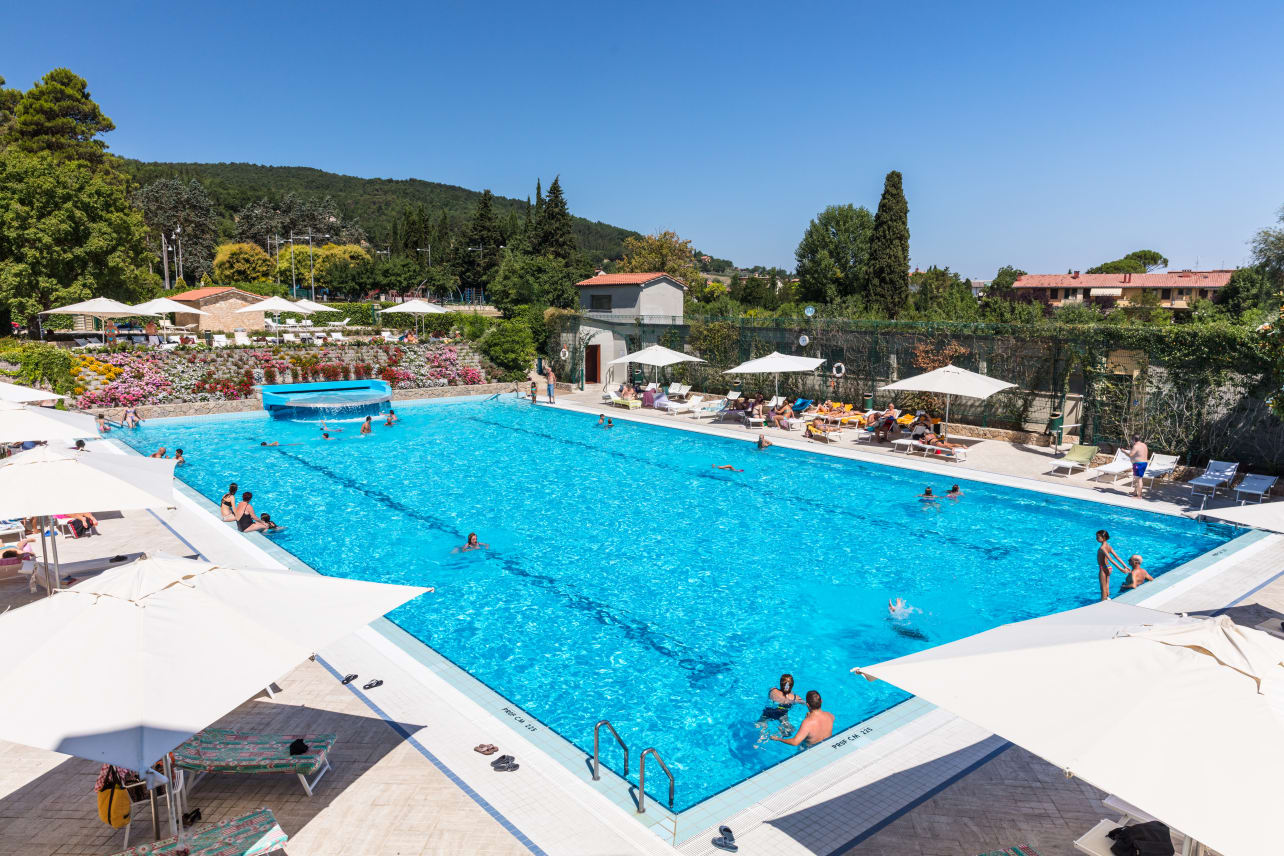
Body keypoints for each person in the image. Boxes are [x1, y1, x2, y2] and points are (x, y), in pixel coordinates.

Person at [1096, 530, 1130, 601]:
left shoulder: (1102, 548)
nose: (1096, 538)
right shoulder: (1108, 546)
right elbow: (1117, 557)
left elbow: (1111, 559)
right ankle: (1107, 599)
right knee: (1107, 586)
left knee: (1103, 588)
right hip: (1109, 567)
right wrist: (1125, 566)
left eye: (1098, 537)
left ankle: (1103, 603)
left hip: (1103, 568)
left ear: (1104, 538)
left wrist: (1121, 569)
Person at [1128, 434, 1150, 499]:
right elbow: (1141, 454)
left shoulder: (1136, 446)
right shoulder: (1144, 445)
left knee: (1139, 479)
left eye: (1132, 439)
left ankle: (1139, 496)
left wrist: (1124, 452)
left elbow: (1131, 455)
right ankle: (1135, 492)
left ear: (1134, 439)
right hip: (1144, 463)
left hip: (1138, 464)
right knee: (1136, 478)